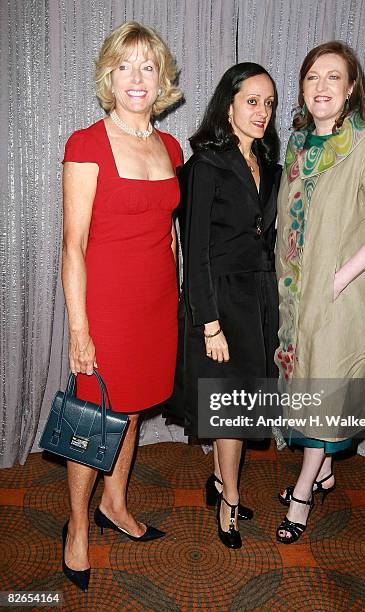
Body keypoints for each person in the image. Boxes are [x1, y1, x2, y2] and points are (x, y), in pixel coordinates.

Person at [61, 21, 182, 590]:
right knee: (94, 418)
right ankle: (78, 527)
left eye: (148, 66)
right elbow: (73, 244)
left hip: (156, 305)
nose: (137, 78)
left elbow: (169, 234)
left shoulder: (170, 146)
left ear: (162, 80)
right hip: (106, 307)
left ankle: (115, 503)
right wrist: (79, 328)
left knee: (130, 407)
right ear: (109, 76)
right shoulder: (86, 143)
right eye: (125, 66)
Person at [275, 41, 365, 544]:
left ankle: (305, 491)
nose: (321, 86)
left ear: (352, 88)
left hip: (341, 295)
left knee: (322, 395)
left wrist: (337, 278)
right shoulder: (297, 144)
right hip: (296, 294)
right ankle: (326, 472)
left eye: (334, 77)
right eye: (312, 77)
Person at [176, 63, 281, 549]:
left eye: (270, 103)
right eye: (253, 100)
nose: (263, 111)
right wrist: (209, 323)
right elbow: (194, 249)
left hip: (258, 299)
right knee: (232, 411)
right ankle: (230, 501)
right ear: (230, 103)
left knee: (235, 405)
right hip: (220, 302)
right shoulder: (204, 165)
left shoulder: (268, 162)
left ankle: (220, 481)